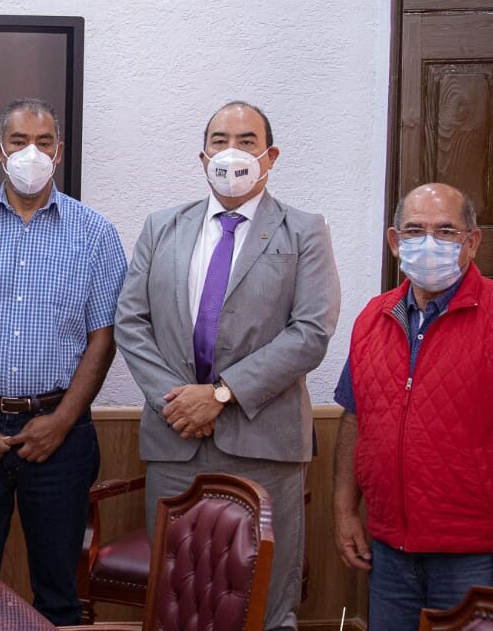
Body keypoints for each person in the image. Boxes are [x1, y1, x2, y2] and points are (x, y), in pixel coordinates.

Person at [114, 101, 340, 631]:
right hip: (175, 439)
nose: (231, 152)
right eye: (219, 141)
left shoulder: (304, 230)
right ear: (202, 156)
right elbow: (130, 321)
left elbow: (311, 332)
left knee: (264, 601)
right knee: (177, 599)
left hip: (264, 445)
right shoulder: (161, 227)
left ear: (270, 156)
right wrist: (177, 401)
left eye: (246, 140)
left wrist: (220, 394)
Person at [333, 183, 493, 631]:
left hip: (478, 556)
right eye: (414, 230)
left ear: (472, 241)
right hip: (388, 554)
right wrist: (345, 511)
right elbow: (353, 417)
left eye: (446, 231)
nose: (429, 242)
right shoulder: (371, 318)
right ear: (394, 241)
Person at [0, 97, 125, 625]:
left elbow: (103, 340)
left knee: (59, 596)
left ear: (59, 152)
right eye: (19, 142)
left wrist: (60, 422)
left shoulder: (95, 234)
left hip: (61, 433)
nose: (31, 153)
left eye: (43, 142)